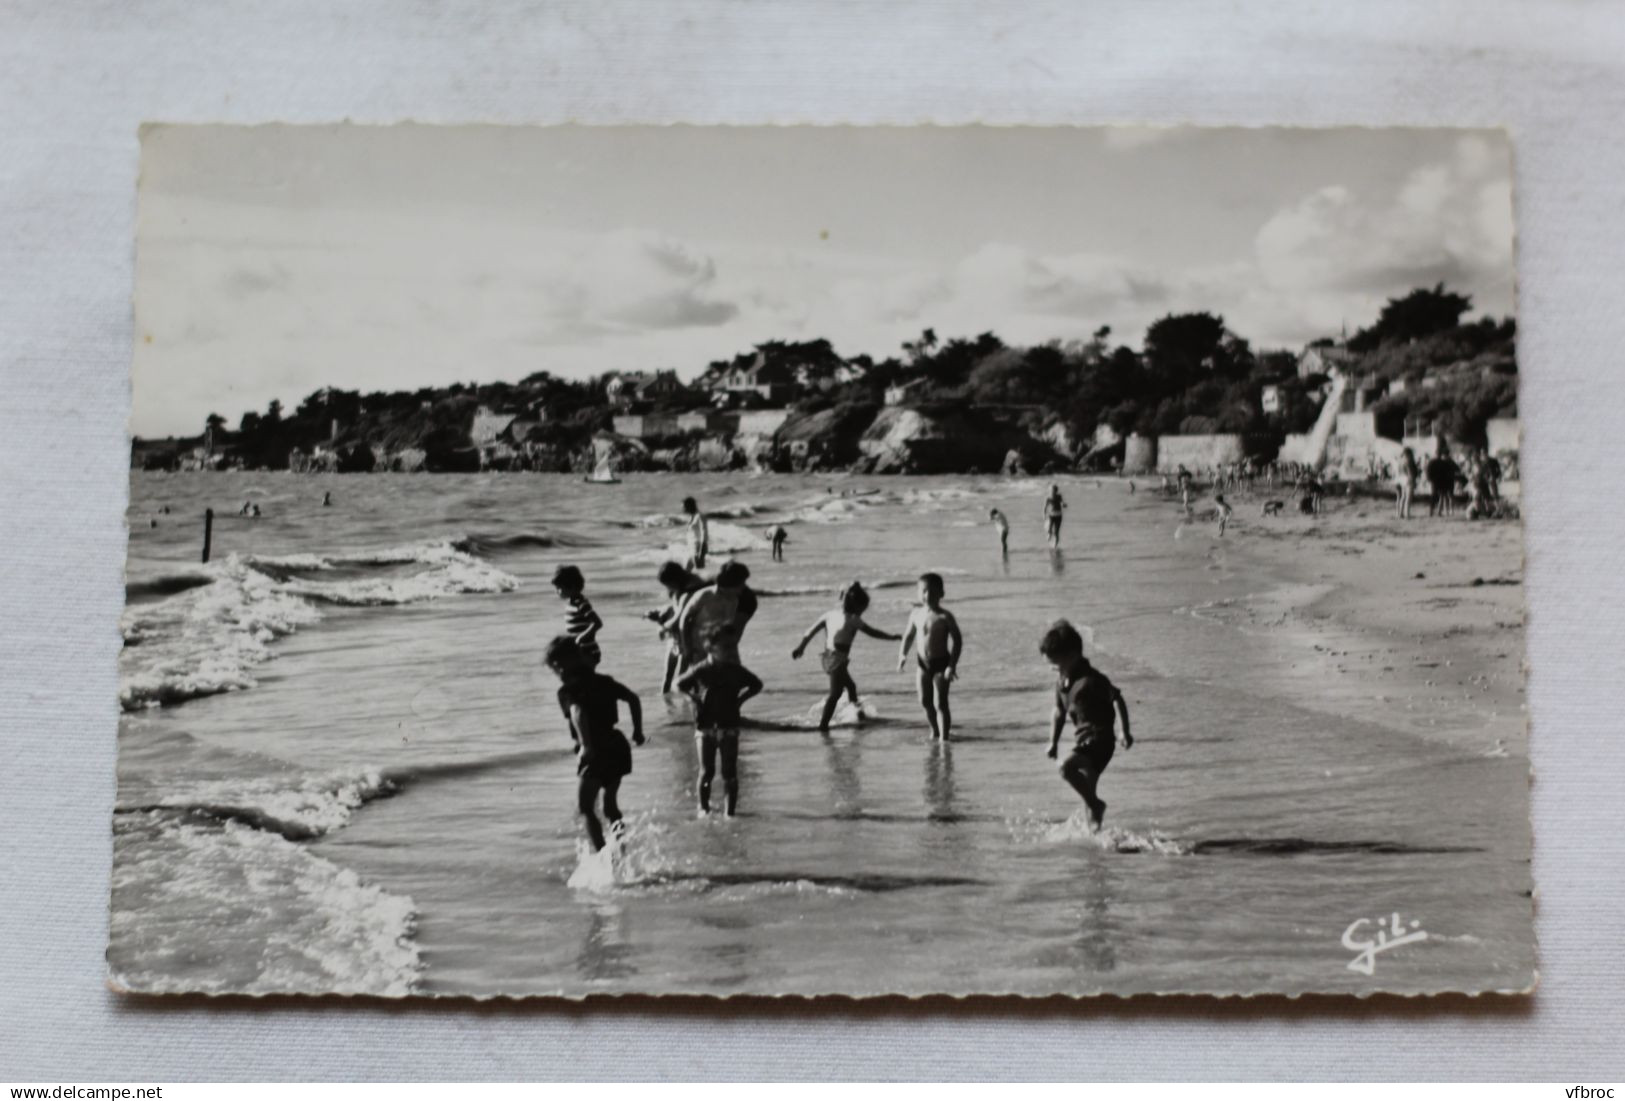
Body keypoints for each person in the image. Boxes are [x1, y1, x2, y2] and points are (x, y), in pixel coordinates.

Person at [545, 635, 644, 852]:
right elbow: (633, 698)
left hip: (596, 750)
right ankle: (621, 852)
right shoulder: (605, 681)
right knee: (610, 806)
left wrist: (586, 745)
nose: (556, 673)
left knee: (586, 807)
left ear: (560, 665)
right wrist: (637, 730)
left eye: (554, 669)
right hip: (617, 746)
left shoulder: (567, 691)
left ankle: (603, 856)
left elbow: (577, 712)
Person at [1039, 619, 1132, 832]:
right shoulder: (1062, 682)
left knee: (1065, 767)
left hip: (1100, 741)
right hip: (1085, 741)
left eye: (1056, 664)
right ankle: (1096, 836)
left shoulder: (1092, 679)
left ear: (1073, 656)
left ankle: (1096, 806)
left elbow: (1116, 699)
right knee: (1087, 791)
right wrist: (1053, 742)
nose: (1054, 669)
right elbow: (1059, 712)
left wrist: (1124, 732)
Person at [676, 623, 763, 816]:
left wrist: (740, 700)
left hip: (729, 725)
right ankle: (703, 810)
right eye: (725, 647)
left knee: (729, 773)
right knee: (706, 772)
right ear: (710, 647)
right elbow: (679, 685)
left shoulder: (736, 670)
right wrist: (693, 699)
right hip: (704, 726)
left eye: (731, 646)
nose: (730, 651)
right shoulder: (700, 669)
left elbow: (757, 685)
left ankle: (730, 814)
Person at [792, 581, 902, 733]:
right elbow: (873, 632)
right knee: (835, 694)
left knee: (851, 687)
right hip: (836, 660)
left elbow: (809, 632)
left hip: (828, 658)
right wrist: (892, 637)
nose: (862, 612)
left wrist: (801, 648)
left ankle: (858, 714)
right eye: (862, 609)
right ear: (857, 606)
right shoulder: (853, 619)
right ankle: (823, 725)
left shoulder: (829, 615)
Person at [897, 572, 963, 741]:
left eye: (933, 592)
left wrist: (952, 665)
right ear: (918, 593)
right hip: (922, 664)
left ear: (942, 594)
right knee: (925, 701)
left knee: (940, 703)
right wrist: (902, 655)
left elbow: (957, 640)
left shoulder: (944, 616)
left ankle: (944, 738)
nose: (928, 596)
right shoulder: (915, 614)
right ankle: (935, 730)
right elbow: (908, 636)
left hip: (941, 664)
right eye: (924, 591)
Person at [676, 559, 757, 667]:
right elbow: (685, 618)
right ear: (731, 582)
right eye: (741, 583)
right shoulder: (705, 595)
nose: (743, 587)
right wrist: (686, 646)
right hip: (696, 646)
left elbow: (727, 628)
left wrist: (730, 653)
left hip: (717, 648)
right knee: (697, 674)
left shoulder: (734, 600)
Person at [645, 561, 705, 693]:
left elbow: (680, 616)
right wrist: (660, 613)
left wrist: (663, 627)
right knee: (670, 674)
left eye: (668, 584)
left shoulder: (690, 591)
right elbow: (676, 609)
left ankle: (688, 702)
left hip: (689, 637)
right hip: (677, 636)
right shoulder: (683, 583)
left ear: (675, 579)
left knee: (685, 675)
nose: (668, 588)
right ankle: (668, 700)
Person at [552, 564, 603, 669]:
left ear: (572, 587)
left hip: (588, 650)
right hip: (579, 650)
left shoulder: (581, 603)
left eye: (559, 588)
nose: (557, 591)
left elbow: (597, 623)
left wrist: (580, 638)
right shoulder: (571, 604)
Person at [682, 496, 709, 570]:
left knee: (699, 568)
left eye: (684, 506)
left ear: (689, 506)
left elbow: (704, 533)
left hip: (698, 547)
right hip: (692, 547)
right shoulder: (691, 517)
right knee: (687, 569)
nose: (683, 508)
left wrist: (702, 550)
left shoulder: (700, 516)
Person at [1395, 446, 1419, 520]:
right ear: (1409, 454)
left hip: (1402, 480)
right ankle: (1407, 514)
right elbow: (1411, 473)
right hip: (1409, 480)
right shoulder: (1409, 462)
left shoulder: (1401, 461)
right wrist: (1414, 481)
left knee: (1403, 497)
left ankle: (1400, 513)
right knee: (1408, 498)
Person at [1043, 485, 1066, 549]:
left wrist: (1063, 504)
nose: (1052, 491)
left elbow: (1062, 502)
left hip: (1058, 515)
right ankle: (1049, 534)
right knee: (1049, 529)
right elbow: (1045, 507)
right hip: (1051, 515)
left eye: (1054, 490)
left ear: (1056, 491)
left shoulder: (1059, 496)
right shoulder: (1048, 498)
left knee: (1056, 532)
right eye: (1051, 490)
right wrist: (1044, 514)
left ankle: (1054, 546)